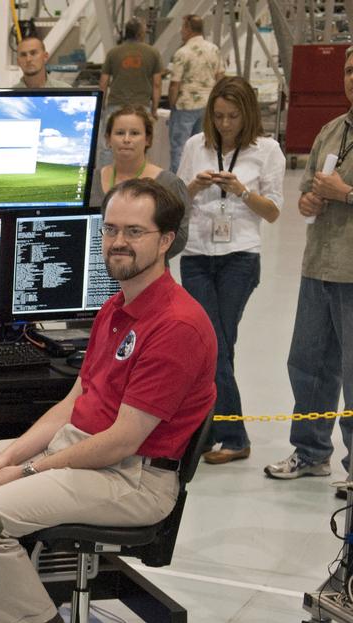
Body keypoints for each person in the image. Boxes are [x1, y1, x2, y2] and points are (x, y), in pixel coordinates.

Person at [0, 178, 215, 623]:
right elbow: (73, 403)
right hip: (83, 455)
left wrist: (24, 470)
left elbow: (122, 440)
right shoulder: (117, 307)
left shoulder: (176, 324)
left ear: (166, 240)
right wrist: (7, 455)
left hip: (133, 479)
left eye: (135, 231)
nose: (118, 241)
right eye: (110, 229)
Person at [177, 76, 283, 465]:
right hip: (196, 255)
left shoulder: (267, 150)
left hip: (240, 256)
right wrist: (193, 185)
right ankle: (212, 432)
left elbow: (272, 212)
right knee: (209, 346)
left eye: (233, 116)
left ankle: (231, 435)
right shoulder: (195, 146)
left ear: (247, 114)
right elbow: (178, 200)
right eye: (218, 116)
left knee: (217, 345)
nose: (224, 124)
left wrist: (240, 190)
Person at [265, 47, 353, 484]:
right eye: (350, 70)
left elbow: (340, 190)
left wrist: (346, 194)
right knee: (308, 363)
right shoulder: (331, 131)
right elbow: (304, 195)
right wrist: (309, 199)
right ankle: (311, 451)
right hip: (318, 264)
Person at [90, 106, 189, 259]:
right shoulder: (90, 181)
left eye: (135, 133)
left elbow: (179, 239)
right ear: (108, 139)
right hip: (96, 271)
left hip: (148, 274)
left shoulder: (169, 184)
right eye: (120, 133)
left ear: (148, 139)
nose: (126, 139)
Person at [167, 15, 224, 173]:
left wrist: (172, 105)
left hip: (185, 105)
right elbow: (220, 78)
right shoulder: (214, 50)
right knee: (203, 148)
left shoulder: (182, 53)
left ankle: (177, 186)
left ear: (188, 29)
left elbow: (174, 84)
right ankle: (200, 180)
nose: (181, 31)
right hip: (208, 106)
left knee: (180, 148)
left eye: (182, 28)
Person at [100, 18, 163, 116]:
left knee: (114, 131)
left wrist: (101, 106)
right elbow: (157, 84)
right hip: (141, 107)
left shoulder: (113, 53)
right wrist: (154, 109)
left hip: (115, 106)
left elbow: (103, 83)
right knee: (138, 131)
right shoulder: (153, 53)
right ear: (140, 33)